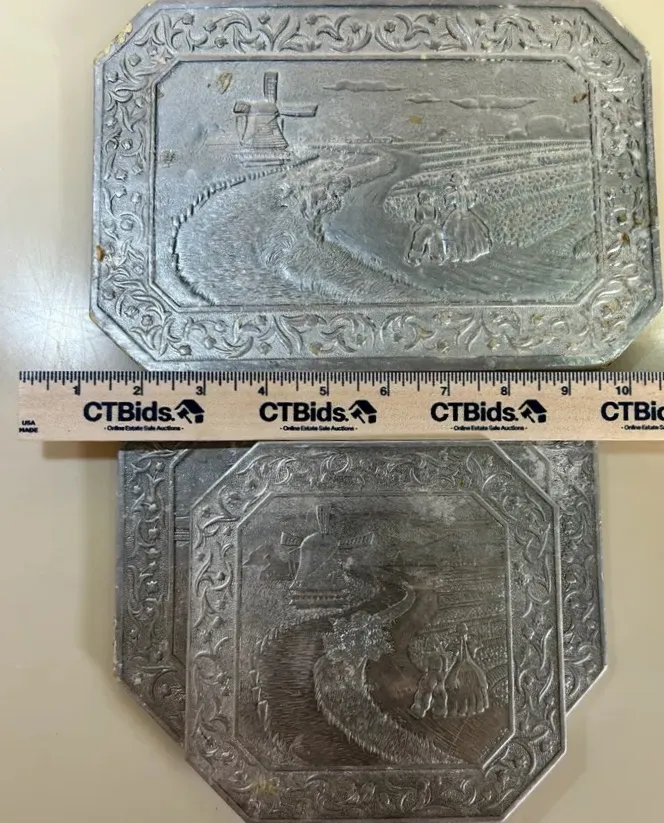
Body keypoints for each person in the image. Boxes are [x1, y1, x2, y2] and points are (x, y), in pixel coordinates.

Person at [440, 172, 491, 264]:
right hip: (467, 213)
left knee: (453, 233)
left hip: (458, 214)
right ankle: (469, 253)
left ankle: (457, 254)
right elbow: (471, 204)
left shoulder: (454, 194)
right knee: (469, 234)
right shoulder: (469, 193)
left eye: (454, 180)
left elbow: (447, 204)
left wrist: (447, 194)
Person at [407, 191, 444, 266]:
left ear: (421, 199)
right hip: (434, 227)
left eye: (420, 198)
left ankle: (415, 258)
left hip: (425, 226)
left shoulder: (420, 208)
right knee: (433, 243)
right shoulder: (433, 208)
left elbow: (418, 219)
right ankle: (437, 257)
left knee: (418, 239)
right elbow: (438, 218)